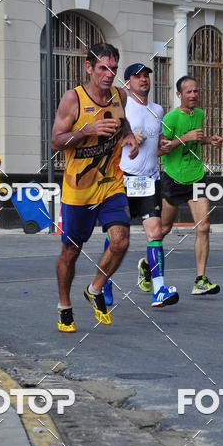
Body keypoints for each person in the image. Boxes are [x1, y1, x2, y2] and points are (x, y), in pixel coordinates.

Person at [51, 42, 139, 332]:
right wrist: (87, 130)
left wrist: (129, 137)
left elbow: (123, 122)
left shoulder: (120, 96)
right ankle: (65, 305)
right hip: (79, 189)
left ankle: (95, 288)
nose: (108, 73)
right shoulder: (73, 99)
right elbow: (56, 141)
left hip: (111, 182)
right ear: (88, 67)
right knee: (71, 252)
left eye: (113, 68)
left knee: (121, 240)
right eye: (103, 67)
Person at [102, 63, 178, 309]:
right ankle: (104, 281)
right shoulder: (121, 107)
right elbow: (106, 138)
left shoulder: (158, 109)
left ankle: (158, 290)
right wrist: (127, 137)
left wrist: (162, 146)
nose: (143, 79)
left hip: (149, 180)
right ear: (127, 83)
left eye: (146, 75)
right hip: (123, 179)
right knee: (117, 238)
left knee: (155, 233)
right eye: (137, 76)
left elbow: (155, 145)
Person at [160, 75, 223, 295]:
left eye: (196, 91)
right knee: (164, 229)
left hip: (196, 177)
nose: (194, 95)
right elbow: (160, 150)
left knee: (203, 227)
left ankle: (200, 280)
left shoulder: (200, 114)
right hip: (173, 178)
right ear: (179, 95)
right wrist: (183, 138)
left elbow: (195, 139)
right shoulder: (171, 118)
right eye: (189, 92)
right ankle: (147, 266)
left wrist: (209, 140)